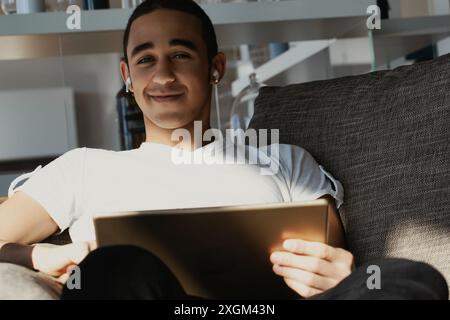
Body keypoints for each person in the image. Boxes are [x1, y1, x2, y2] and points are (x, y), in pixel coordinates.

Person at [0, 0, 447, 300]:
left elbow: (329, 254)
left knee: (409, 276)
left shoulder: (284, 160)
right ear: (127, 75)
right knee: (115, 268)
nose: (163, 76)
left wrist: (336, 274)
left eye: (180, 54)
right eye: (145, 59)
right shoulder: (82, 169)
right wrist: (43, 255)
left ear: (215, 67)